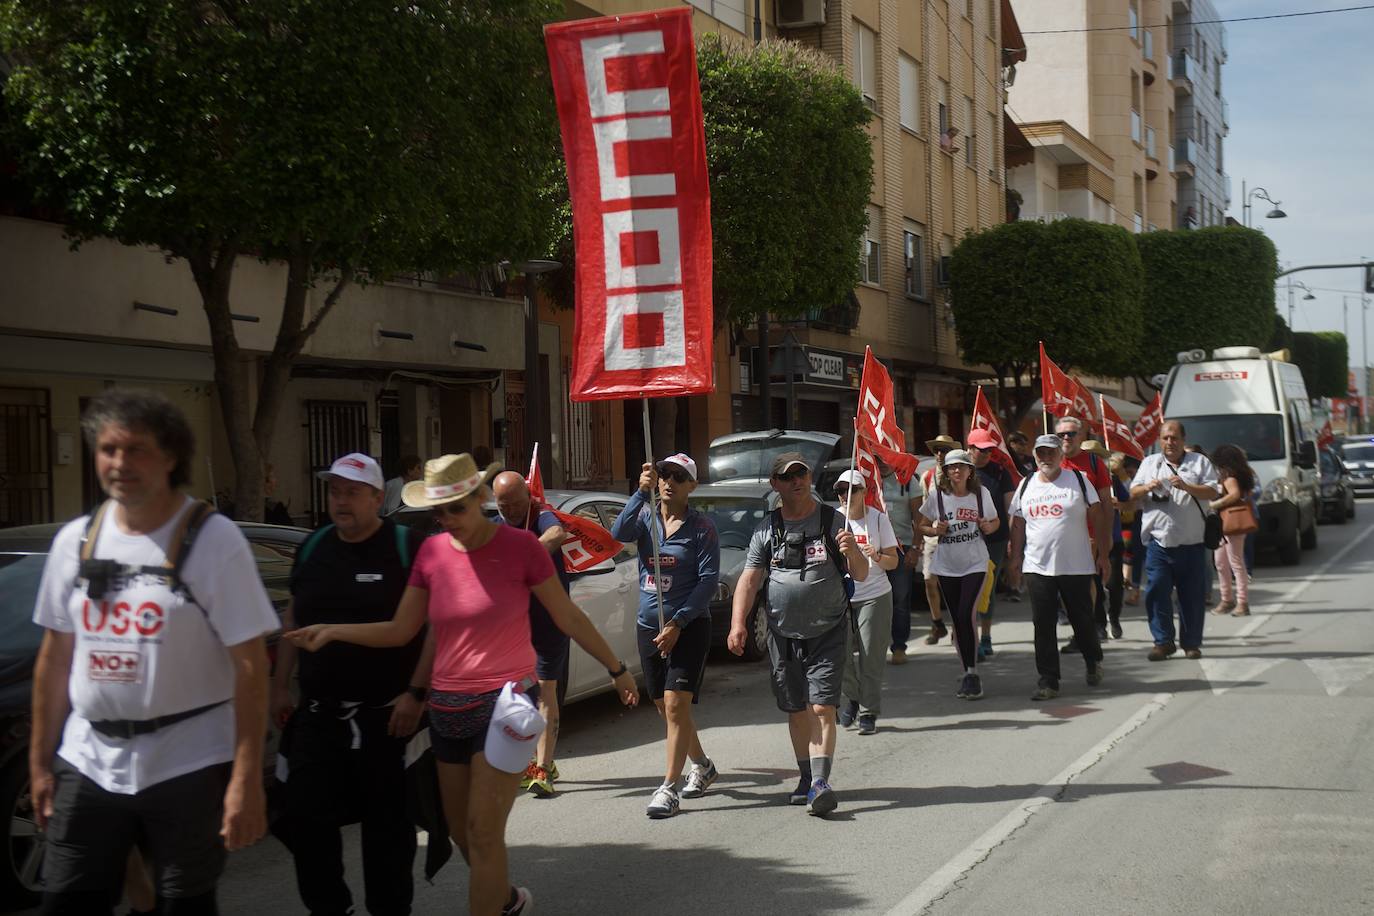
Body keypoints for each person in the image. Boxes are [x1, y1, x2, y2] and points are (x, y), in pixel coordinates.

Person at [286, 453, 638, 916]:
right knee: (458, 833)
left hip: (508, 703)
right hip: (447, 708)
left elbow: (567, 615)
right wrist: (332, 631)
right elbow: (401, 629)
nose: (447, 519)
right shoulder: (432, 553)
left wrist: (617, 669)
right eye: (438, 511)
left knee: (483, 832)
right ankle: (507, 900)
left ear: (479, 499)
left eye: (456, 508)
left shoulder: (521, 548)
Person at [30, 389, 277, 914]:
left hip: (187, 761)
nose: (119, 463)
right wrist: (39, 764)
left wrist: (245, 779)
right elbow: (53, 660)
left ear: (170, 456)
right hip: (88, 759)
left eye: (136, 449)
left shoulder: (214, 541)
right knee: (66, 902)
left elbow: (252, 667)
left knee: (184, 905)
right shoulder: (75, 541)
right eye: (108, 449)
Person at [271, 452, 429, 916]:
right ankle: (329, 908)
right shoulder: (314, 546)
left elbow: (433, 625)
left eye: (352, 492)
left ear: (378, 498)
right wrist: (281, 684)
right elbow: (294, 615)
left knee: (388, 834)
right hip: (320, 716)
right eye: (335, 490)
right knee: (302, 818)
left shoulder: (407, 547)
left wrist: (416, 693)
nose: (341, 500)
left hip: (389, 717)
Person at [727, 452, 869, 818]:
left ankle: (822, 783)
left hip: (829, 628)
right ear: (776, 484)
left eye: (801, 473)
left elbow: (862, 573)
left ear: (809, 477)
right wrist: (737, 623)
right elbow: (750, 578)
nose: (797, 480)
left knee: (821, 705)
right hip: (782, 632)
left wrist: (852, 552)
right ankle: (806, 778)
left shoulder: (832, 520)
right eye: (788, 476)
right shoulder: (767, 528)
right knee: (795, 708)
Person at [610, 454, 721, 818]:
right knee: (665, 707)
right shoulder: (645, 518)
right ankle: (703, 765)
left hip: (687, 627)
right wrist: (638, 494)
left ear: (692, 486)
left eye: (679, 476)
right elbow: (617, 536)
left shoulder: (702, 527)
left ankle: (668, 789)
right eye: (664, 475)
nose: (669, 481)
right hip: (649, 626)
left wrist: (679, 622)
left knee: (676, 705)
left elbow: (707, 582)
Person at [1007, 434, 1111, 701]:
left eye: (1051, 452)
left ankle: (1092, 659)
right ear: (1034, 456)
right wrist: (1015, 558)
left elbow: (1097, 513)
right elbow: (1017, 522)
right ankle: (1048, 680)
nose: (1046, 458)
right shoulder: (1026, 484)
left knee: (1081, 619)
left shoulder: (1077, 480)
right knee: (1043, 623)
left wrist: (1103, 554)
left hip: (1075, 565)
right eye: (1041, 453)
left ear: (1061, 455)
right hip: (1037, 566)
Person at [491, 471, 571, 799]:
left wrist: (524, 555)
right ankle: (533, 762)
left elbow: (556, 533)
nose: (509, 510)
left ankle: (542, 768)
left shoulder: (541, 515)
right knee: (519, 695)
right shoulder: (496, 528)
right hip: (515, 627)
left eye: (515, 502)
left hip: (550, 621)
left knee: (545, 692)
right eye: (502, 504)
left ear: (529, 497)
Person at [1129, 421, 1221, 661]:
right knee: (1157, 590)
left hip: (1191, 543)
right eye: (1166, 438)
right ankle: (1163, 641)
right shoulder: (1150, 464)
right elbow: (1132, 492)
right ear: (1160, 440)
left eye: (1175, 438)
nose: (1170, 442)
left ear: (1183, 439)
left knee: (1191, 596)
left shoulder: (1199, 463)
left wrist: (1187, 486)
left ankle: (1191, 643)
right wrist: (1148, 486)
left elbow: (1213, 491)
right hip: (1159, 542)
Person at [916, 450, 998, 699]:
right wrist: (934, 529)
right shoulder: (937, 496)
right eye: (952, 467)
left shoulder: (981, 494)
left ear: (970, 471)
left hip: (975, 562)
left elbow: (995, 522)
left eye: (962, 467)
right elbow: (920, 525)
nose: (957, 471)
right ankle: (967, 672)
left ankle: (973, 672)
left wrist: (987, 525)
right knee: (958, 619)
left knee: (966, 614)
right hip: (946, 565)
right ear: (947, 471)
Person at [833, 471, 899, 734]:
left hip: (875, 595)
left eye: (852, 490)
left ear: (864, 492)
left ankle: (869, 711)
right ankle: (852, 697)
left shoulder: (878, 519)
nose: (845, 496)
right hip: (841, 597)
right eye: (840, 491)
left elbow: (893, 561)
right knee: (841, 656)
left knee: (871, 656)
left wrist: (878, 555)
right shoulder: (834, 519)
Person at [1055, 417, 1114, 650]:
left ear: (1081, 436)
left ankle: (1084, 632)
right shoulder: (1051, 462)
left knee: (1084, 585)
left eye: (1071, 433)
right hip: (1058, 538)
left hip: (1088, 535)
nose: (1066, 438)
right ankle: (1082, 630)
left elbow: (1107, 503)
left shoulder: (1093, 462)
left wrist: (1105, 537)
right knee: (1062, 587)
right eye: (1061, 435)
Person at [966, 430, 1015, 659]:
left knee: (987, 588)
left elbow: (1010, 508)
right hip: (964, 540)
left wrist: (1014, 540)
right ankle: (969, 636)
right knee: (967, 589)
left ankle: (985, 637)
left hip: (994, 539)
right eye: (981, 449)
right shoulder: (959, 470)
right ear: (970, 448)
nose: (986, 454)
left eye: (989, 450)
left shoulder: (1000, 472)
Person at [919, 435, 961, 645]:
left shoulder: (958, 476)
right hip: (933, 537)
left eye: (943, 450)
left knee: (952, 585)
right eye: (936, 450)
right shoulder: (927, 477)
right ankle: (937, 623)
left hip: (956, 538)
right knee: (929, 580)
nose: (939, 454)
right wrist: (923, 536)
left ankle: (957, 627)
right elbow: (923, 511)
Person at [1208, 444, 1256, 617]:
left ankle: (1241, 602)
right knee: (1221, 562)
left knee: (1234, 563)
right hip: (1227, 523)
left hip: (1230, 522)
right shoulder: (1239, 474)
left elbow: (1234, 495)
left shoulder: (1229, 477)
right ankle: (1227, 599)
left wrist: (1215, 504)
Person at [883, 463, 920, 666]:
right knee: (874, 601)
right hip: (874, 548)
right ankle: (874, 648)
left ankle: (899, 646)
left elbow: (919, 517)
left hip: (902, 547)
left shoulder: (907, 481)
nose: (880, 460)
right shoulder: (868, 477)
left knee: (900, 599)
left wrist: (915, 547)